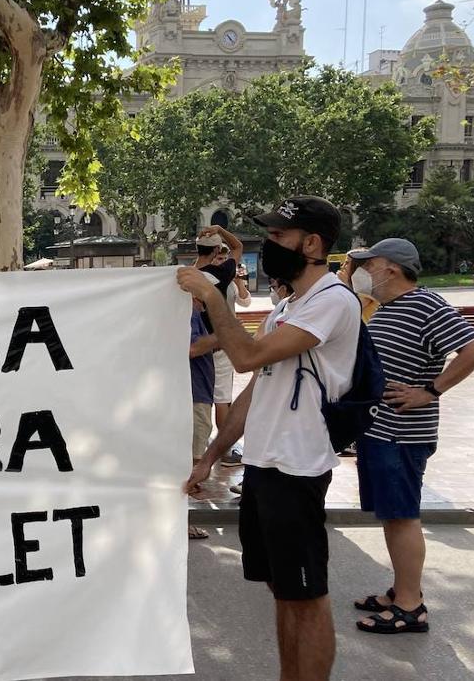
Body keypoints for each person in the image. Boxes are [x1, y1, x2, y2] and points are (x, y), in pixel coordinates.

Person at [179, 195, 360, 681]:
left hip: (297, 468)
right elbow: (253, 395)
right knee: (283, 593)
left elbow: (246, 358)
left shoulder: (332, 301)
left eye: (280, 235)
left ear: (313, 243)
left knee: (307, 596)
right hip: (264, 467)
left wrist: (214, 296)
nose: (271, 243)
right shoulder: (289, 307)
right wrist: (211, 459)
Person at [347, 238, 474, 635]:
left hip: (401, 433)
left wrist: (430, 390)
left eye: (366, 263)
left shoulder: (427, 305)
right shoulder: (388, 308)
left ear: (390, 268)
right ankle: (402, 590)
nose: (359, 270)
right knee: (392, 516)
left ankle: (411, 606)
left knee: (402, 516)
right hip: (380, 430)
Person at [194, 228, 244, 467]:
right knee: (222, 398)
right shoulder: (221, 273)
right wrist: (221, 230)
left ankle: (197, 452)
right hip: (218, 345)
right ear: (216, 250)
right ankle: (224, 450)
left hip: (195, 348)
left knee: (199, 400)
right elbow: (237, 248)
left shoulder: (187, 276)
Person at [188, 286, 220, 540]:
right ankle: (183, 522)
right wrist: (224, 334)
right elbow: (192, 348)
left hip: (198, 392)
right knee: (190, 465)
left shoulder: (192, 314)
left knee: (190, 463)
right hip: (195, 394)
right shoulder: (189, 313)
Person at [337, 250, 379, 323]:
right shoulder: (354, 285)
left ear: (357, 266)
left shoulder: (367, 287)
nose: (342, 266)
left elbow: (354, 307)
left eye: (347, 263)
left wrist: (345, 284)